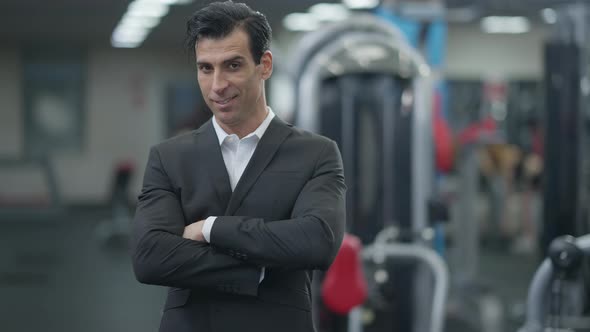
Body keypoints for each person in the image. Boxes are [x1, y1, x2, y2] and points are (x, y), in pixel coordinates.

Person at [131, 2, 347, 332]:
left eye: (232, 65)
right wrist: (258, 269)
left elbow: (317, 242)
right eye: (206, 68)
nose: (218, 85)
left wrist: (210, 228)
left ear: (265, 65)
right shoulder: (169, 157)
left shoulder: (316, 154)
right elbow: (150, 257)